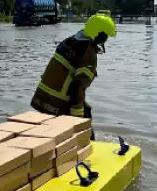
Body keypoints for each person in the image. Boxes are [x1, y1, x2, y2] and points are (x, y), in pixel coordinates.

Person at [29, 13, 117, 141]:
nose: (106, 39)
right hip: (56, 103)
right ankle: (85, 151)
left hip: (40, 98)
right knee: (85, 123)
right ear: (99, 34)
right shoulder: (88, 52)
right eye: (106, 36)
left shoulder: (70, 41)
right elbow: (77, 87)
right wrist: (78, 118)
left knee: (85, 109)